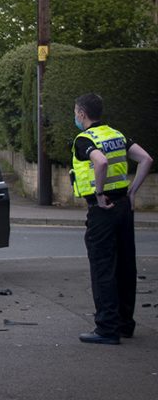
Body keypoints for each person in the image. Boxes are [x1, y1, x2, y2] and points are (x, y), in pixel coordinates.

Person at [71, 93, 153, 345]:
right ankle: (125, 324)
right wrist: (132, 191)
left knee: (103, 267)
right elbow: (146, 159)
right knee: (126, 266)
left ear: (82, 114)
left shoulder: (84, 139)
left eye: (75, 112)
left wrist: (98, 194)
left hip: (103, 209)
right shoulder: (117, 135)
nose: (75, 116)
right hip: (123, 207)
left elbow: (101, 161)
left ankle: (107, 328)